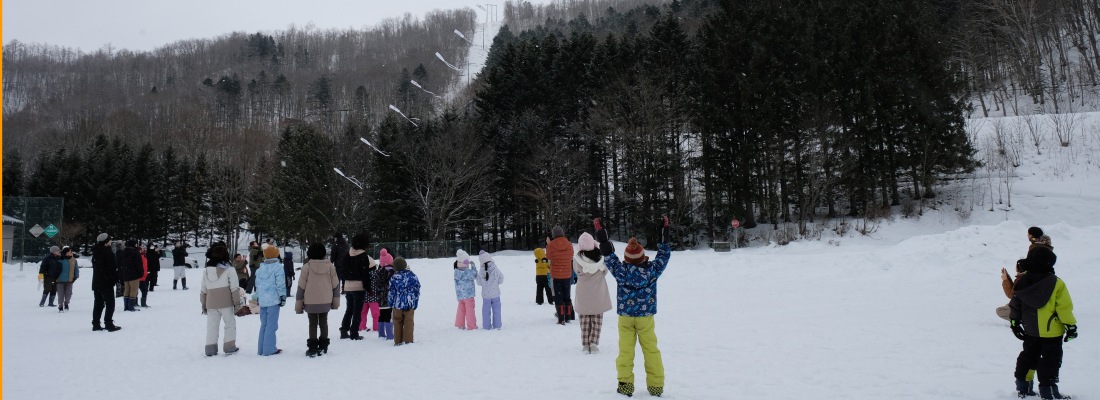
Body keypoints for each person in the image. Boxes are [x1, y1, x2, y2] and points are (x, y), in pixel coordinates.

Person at [596, 217, 671, 398]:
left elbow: (609, 257)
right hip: (646, 316)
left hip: (626, 317)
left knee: (625, 351)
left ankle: (625, 385)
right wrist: (664, 235)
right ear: (643, 256)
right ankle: (656, 386)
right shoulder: (652, 271)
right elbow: (664, 256)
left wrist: (602, 237)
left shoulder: (621, 271)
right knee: (651, 349)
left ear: (627, 258)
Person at [1010, 246, 1077, 399]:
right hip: (1051, 332)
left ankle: (1024, 387)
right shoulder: (1057, 283)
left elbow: (1015, 304)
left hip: (1030, 330)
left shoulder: (1023, 281)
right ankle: (1049, 392)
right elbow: (1064, 309)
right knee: (1050, 360)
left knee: (1029, 356)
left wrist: (1014, 322)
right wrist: (1071, 326)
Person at [295, 242, 340, 357]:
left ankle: (313, 347)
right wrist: (335, 303)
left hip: (310, 302)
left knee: (312, 324)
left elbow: (301, 287)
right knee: (324, 323)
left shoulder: (306, 267)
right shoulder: (330, 266)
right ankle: (324, 345)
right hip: (326, 301)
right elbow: (335, 286)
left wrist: (298, 306)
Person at [573, 232, 612, 353]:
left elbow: (576, 271)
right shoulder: (600, 259)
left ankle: (585, 345)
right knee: (597, 320)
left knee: (584, 320)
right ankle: (594, 343)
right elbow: (605, 271)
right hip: (598, 293)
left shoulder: (577, 260)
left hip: (583, 293)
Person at [200, 245, 242, 356]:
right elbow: (234, 288)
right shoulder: (230, 270)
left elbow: (203, 290)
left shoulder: (206, 271)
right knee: (229, 324)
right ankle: (229, 347)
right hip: (226, 303)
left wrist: (203, 304)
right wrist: (237, 304)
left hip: (211, 303)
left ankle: (210, 348)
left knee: (211, 326)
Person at [339, 233, 376, 340]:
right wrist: (369, 289)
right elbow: (365, 275)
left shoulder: (347, 255)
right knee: (357, 311)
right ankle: (354, 333)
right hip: (359, 287)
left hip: (348, 286)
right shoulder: (363, 256)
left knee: (349, 309)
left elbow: (343, 272)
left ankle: (344, 330)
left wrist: (344, 285)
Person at [254, 243, 286, 356]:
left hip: (263, 301)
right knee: (271, 325)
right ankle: (269, 349)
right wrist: (283, 297)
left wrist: (257, 297)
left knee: (264, 324)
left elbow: (257, 285)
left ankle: (261, 348)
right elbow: (280, 284)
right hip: (273, 300)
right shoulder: (278, 268)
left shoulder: (260, 269)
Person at [91, 233, 121, 332]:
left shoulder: (96, 251)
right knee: (110, 303)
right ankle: (109, 323)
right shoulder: (108, 253)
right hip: (106, 282)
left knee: (98, 304)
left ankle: (96, 324)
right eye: (110, 240)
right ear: (106, 242)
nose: (111, 241)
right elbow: (111, 269)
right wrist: (116, 279)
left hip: (96, 281)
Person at [388, 257, 421, 346]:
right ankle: (408, 340)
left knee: (397, 321)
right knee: (408, 321)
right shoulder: (412, 276)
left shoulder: (394, 278)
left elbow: (391, 292)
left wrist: (390, 302)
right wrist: (415, 301)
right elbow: (417, 289)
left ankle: (397, 341)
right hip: (410, 303)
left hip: (397, 304)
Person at [546, 225, 575, 323]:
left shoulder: (551, 244)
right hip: (567, 274)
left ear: (554, 235)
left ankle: (561, 318)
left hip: (556, 275)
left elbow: (548, 256)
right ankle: (568, 317)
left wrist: (548, 244)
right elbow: (571, 255)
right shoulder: (569, 244)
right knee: (567, 296)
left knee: (559, 297)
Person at [475, 250, 504, 330]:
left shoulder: (481, 271)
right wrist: (496, 282)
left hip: (486, 296)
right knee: (497, 310)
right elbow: (501, 279)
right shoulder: (495, 269)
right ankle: (497, 325)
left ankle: (486, 326)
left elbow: (479, 283)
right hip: (495, 294)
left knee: (486, 312)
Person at [373, 248, 396, 340]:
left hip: (380, 298)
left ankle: (381, 333)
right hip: (389, 298)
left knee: (381, 315)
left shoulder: (378, 272)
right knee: (388, 316)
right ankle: (390, 335)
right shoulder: (393, 272)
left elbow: (376, 284)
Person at [453, 249, 478, 330]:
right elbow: (474, 275)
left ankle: (460, 324)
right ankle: (471, 326)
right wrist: (473, 266)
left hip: (460, 295)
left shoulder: (456, 271)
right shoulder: (467, 272)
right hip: (468, 294)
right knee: (470, 309)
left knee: (461, 309)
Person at [360, 249, 382, 334]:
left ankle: (362, 326)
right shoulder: (376, 274)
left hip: (364, 297)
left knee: (363, 313)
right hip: (374, 297)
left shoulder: (362, 274)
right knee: (375, 314)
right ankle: (376, 327)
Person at [120, 240, 144, 312]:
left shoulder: (124, 252)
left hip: (125, 275)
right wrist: (141, 273)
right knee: (134, 290)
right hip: (134, 275)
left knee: (127, 290)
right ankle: (131, 306)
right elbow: (138, 264)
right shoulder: (135, 252)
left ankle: (126, 306)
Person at [54, 246, 80, 312]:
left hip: (70, 280)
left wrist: (76, 276)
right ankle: (60, 306)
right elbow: (55, 269)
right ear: (66, 253)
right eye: (70, 251)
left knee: (69, 294)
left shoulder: (74, 260)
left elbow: (76, 269)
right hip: (59, 281)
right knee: (60, 295)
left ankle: (66, 303)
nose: (72, 253)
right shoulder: (59, 260)